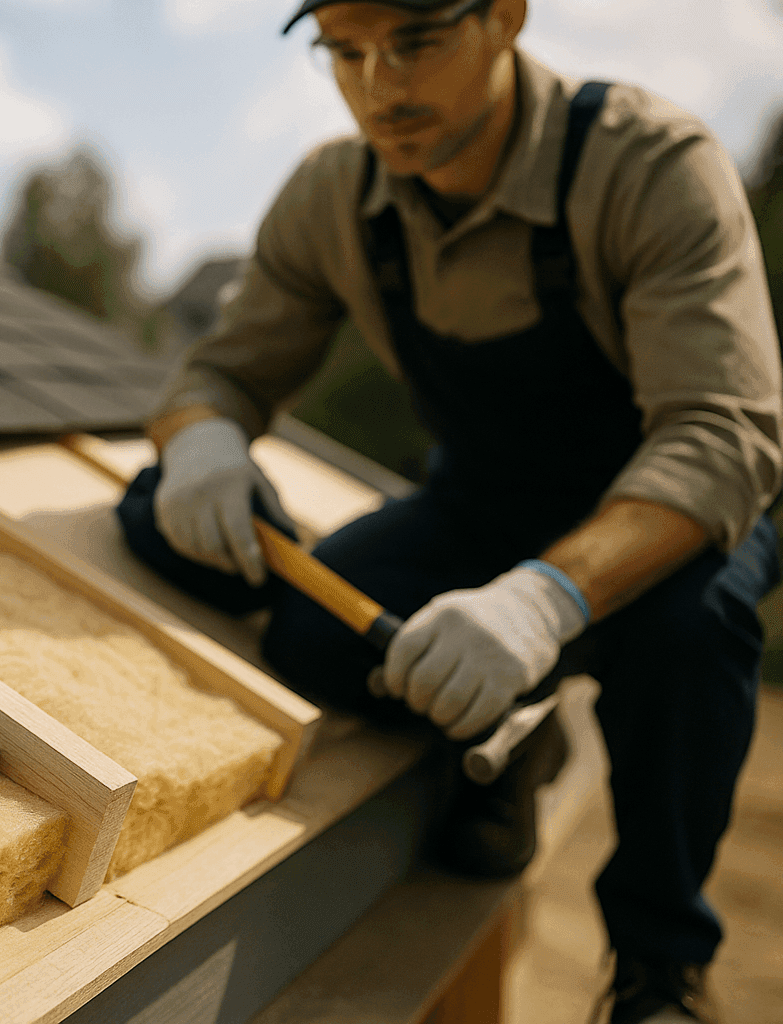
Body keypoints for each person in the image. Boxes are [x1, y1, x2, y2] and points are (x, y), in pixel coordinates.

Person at [116, 1, 782, 1021]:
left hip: (677, 514)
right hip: (486, 499)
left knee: (691, 638)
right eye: (344, 50)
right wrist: (202, 436)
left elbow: (725, 439)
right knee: (311, 633)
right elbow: (216, 371)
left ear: (505, 17)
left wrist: (543, 602)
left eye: (417, 39)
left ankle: (660, 967)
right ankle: (509, 745)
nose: (380, 85)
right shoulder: (334, 195)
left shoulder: (650, 164)